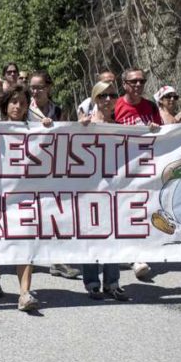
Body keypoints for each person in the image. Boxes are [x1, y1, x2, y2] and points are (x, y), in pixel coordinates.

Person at [0, 84, 52, 311]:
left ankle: (24, 293)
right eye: (14, 102)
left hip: (23, 194)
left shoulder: (33, 129)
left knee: (25, 239)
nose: (18, 107)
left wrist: (47, 128)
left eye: (22, 104)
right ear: (6, 105)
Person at [77, 80, 131, 301]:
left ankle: (112, 282)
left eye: (112, 95)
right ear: (95, 99)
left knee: (113, 235)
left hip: (114, 188)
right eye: (103, 96)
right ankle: (92, 283)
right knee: (90, 234)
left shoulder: (121, 126)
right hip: (88, 188)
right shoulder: (84, 124)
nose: (108, 100)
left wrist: (152, 133)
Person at [28, 70, 80, 280]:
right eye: (32, 87)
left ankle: (58, 260)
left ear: (49, 88)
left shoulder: (58, 110)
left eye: (39, 87)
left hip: (53, 168)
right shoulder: (24, 109)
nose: (35, 91)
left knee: (56, 212)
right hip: (27, 169)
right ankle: (24, 256)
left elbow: (68, 133)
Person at [115, 67, 162, 280]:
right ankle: (128, 253)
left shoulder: (151, 107)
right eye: (133, 82)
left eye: (141, 81)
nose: (138, 85)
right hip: (120, 166)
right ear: (124, 84)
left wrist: (156, 130)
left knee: (141, 209)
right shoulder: (116, 106)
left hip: (144, 168)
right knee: (124, 210)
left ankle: (138, 254)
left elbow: (164, 135)